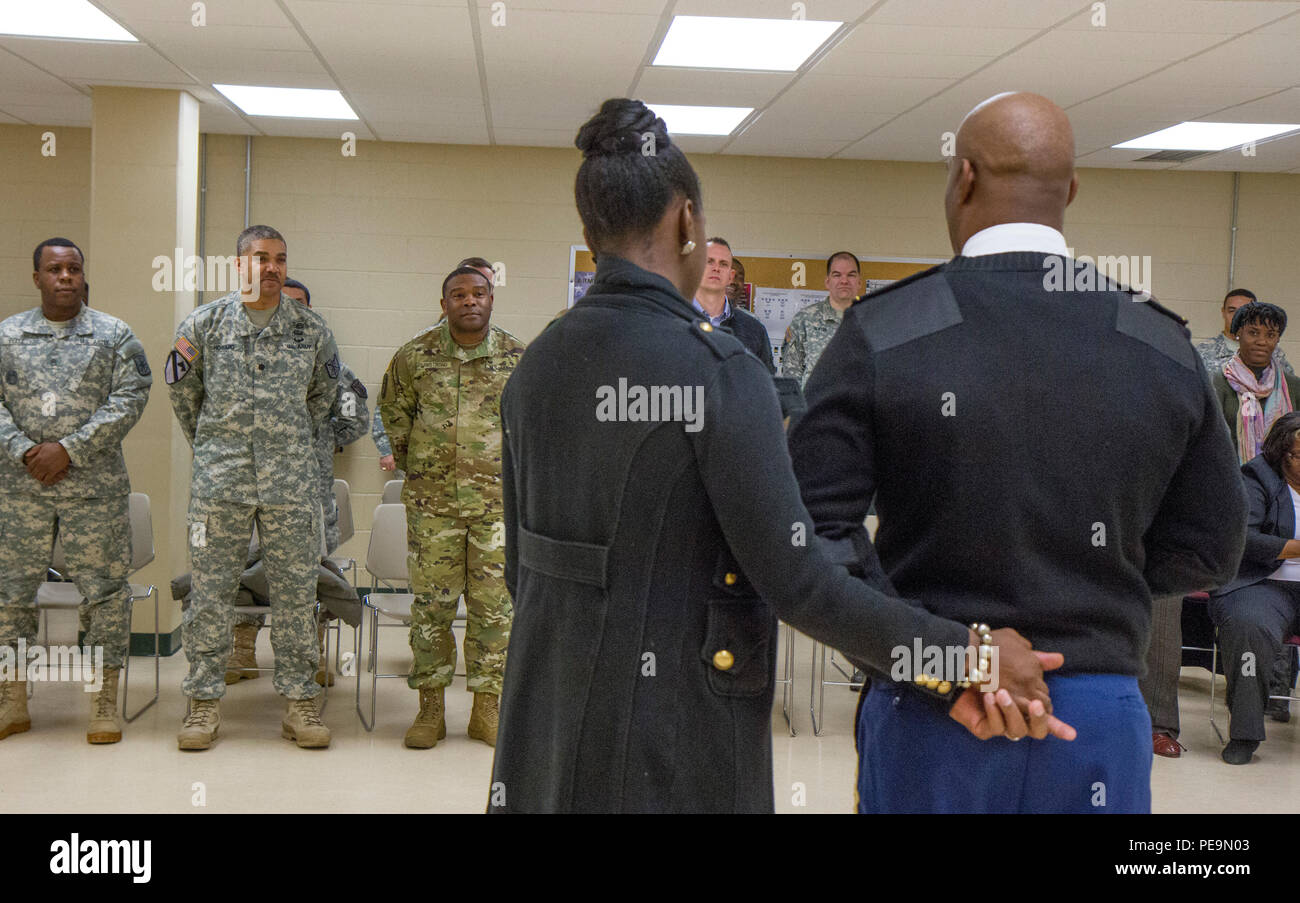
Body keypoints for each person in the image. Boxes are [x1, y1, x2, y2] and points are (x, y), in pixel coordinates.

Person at [489, 98, 1071, 815]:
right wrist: (965, 656)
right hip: (666, 749)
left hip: (540, 738)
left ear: (591, 231)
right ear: (687, 223)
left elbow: (522, 570)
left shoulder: (536, 365)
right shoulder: (717, 371)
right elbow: (800, 581)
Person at [789, 92, 1246, 813]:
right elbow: (1215, 545)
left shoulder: (884, 332)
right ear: (1069, 191)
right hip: (1094, 719)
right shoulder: (1160, 343)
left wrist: (948, 652)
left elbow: (808, 543)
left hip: (936, 713)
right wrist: (1100, 572)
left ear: (962, 178)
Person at [168, 224, 339, 750]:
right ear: (237, 265)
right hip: (221, 481)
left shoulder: (310, 329)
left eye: (280, 259)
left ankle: (299, 703)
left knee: (296, 592)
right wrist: (219, 446)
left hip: (290, 482)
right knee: (211, 592)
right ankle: (202, 703)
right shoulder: (203, 325)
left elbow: (322, 396)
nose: (272, 267)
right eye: (261, 258)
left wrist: (285, 444)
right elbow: (183, 395)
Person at [0, 238, 151, 744]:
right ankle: (11, 697)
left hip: (94, 487)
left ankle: (102, 700)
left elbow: (131, 396)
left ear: (83, 275)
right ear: (37, 276)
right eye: (55, 268)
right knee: (8, 595)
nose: (65, 276)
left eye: (73, 268)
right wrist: (25, 450)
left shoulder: (114, 335)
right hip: (19, 488)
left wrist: (70, 449)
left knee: (105, 595)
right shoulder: (8, 335)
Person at [379, 265, 523, 749]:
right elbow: (394, 417)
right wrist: (420, 468)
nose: (469, 301)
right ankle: (430, 711)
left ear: (491, 299)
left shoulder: (517, 358)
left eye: (478, 293)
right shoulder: (414, 356)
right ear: (443, 304)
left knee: (493, 611)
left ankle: (487, 709)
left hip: (496, 509)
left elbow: (531, 426)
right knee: (431, 610)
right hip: (432, 509)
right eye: (458, 295)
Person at [224, 277, 369, 686]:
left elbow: (354, 418)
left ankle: (315, 651)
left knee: (312, 573)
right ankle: (242, 650)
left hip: (310, 491)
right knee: (243, 568)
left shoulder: (333, 368)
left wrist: (320, 441)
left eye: (298, 305)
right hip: (251, 486)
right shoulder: (245, 361)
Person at [1210, 412, 1300, 764]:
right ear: (1281, 454)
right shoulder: (1256, 477)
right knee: (1249, 625)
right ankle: (1245, 735)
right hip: (1262, 584)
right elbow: (1242, 539)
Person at [1212, 302, 1300, 466]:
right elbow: (1210, 439)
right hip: (1232, 479)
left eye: (1270, 335)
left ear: (1277, 339)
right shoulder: (1219, 382)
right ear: (1238, 333)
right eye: (1253, 333)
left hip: (1282, 482)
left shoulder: (1293, 386)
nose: (1262, 341)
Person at [781, 251, 861, 387]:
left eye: (851, 275)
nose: (844, 280)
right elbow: (791, 373)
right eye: (837, 275)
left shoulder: (872, 319)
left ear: (859, 282)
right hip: (815, 406)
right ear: (827, 282)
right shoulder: (804, 320)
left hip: (859, 406)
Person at [693, 238, 775, 373]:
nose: (716, 268)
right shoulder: (672, 320)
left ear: (731, 276)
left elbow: (766, 384)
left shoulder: (753, 329)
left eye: (723, 264)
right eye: (709, 262)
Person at [1197, 289, 1292, 376]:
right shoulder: (1204, 351)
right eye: (1232, 310)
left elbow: (1287, 388)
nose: (1237, 316)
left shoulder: (1273, 353)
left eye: (1245, 311)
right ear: (1223, 312)